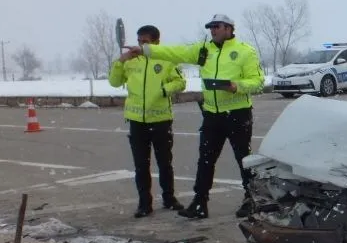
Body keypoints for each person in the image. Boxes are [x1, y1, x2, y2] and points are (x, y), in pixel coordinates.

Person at [122, 14, 265, 220]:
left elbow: (258, 81)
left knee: (243, 159)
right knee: (205, 160)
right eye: (211, 27)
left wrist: (237, 85)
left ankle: (252, 199)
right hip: (212, 115)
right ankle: (200, 202)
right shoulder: (203, 50)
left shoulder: (244, 51)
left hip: (237, 114)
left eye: (217, 26)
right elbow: (175, 52)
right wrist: (145, 49)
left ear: (229, 28)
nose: (213, 30)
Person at [108, 24, 187, 218]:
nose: (140, 45)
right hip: (137, 120)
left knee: (165, 162)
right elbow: (115, 82)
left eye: (145, 42)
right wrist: (120, 61)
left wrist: (163, 90)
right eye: (139, 41)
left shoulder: (166, 59)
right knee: (141, 165)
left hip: (160, 119)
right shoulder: (131, 61)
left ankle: (169, 198)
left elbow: (180, 83)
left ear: (156, 42)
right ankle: (144, 203)